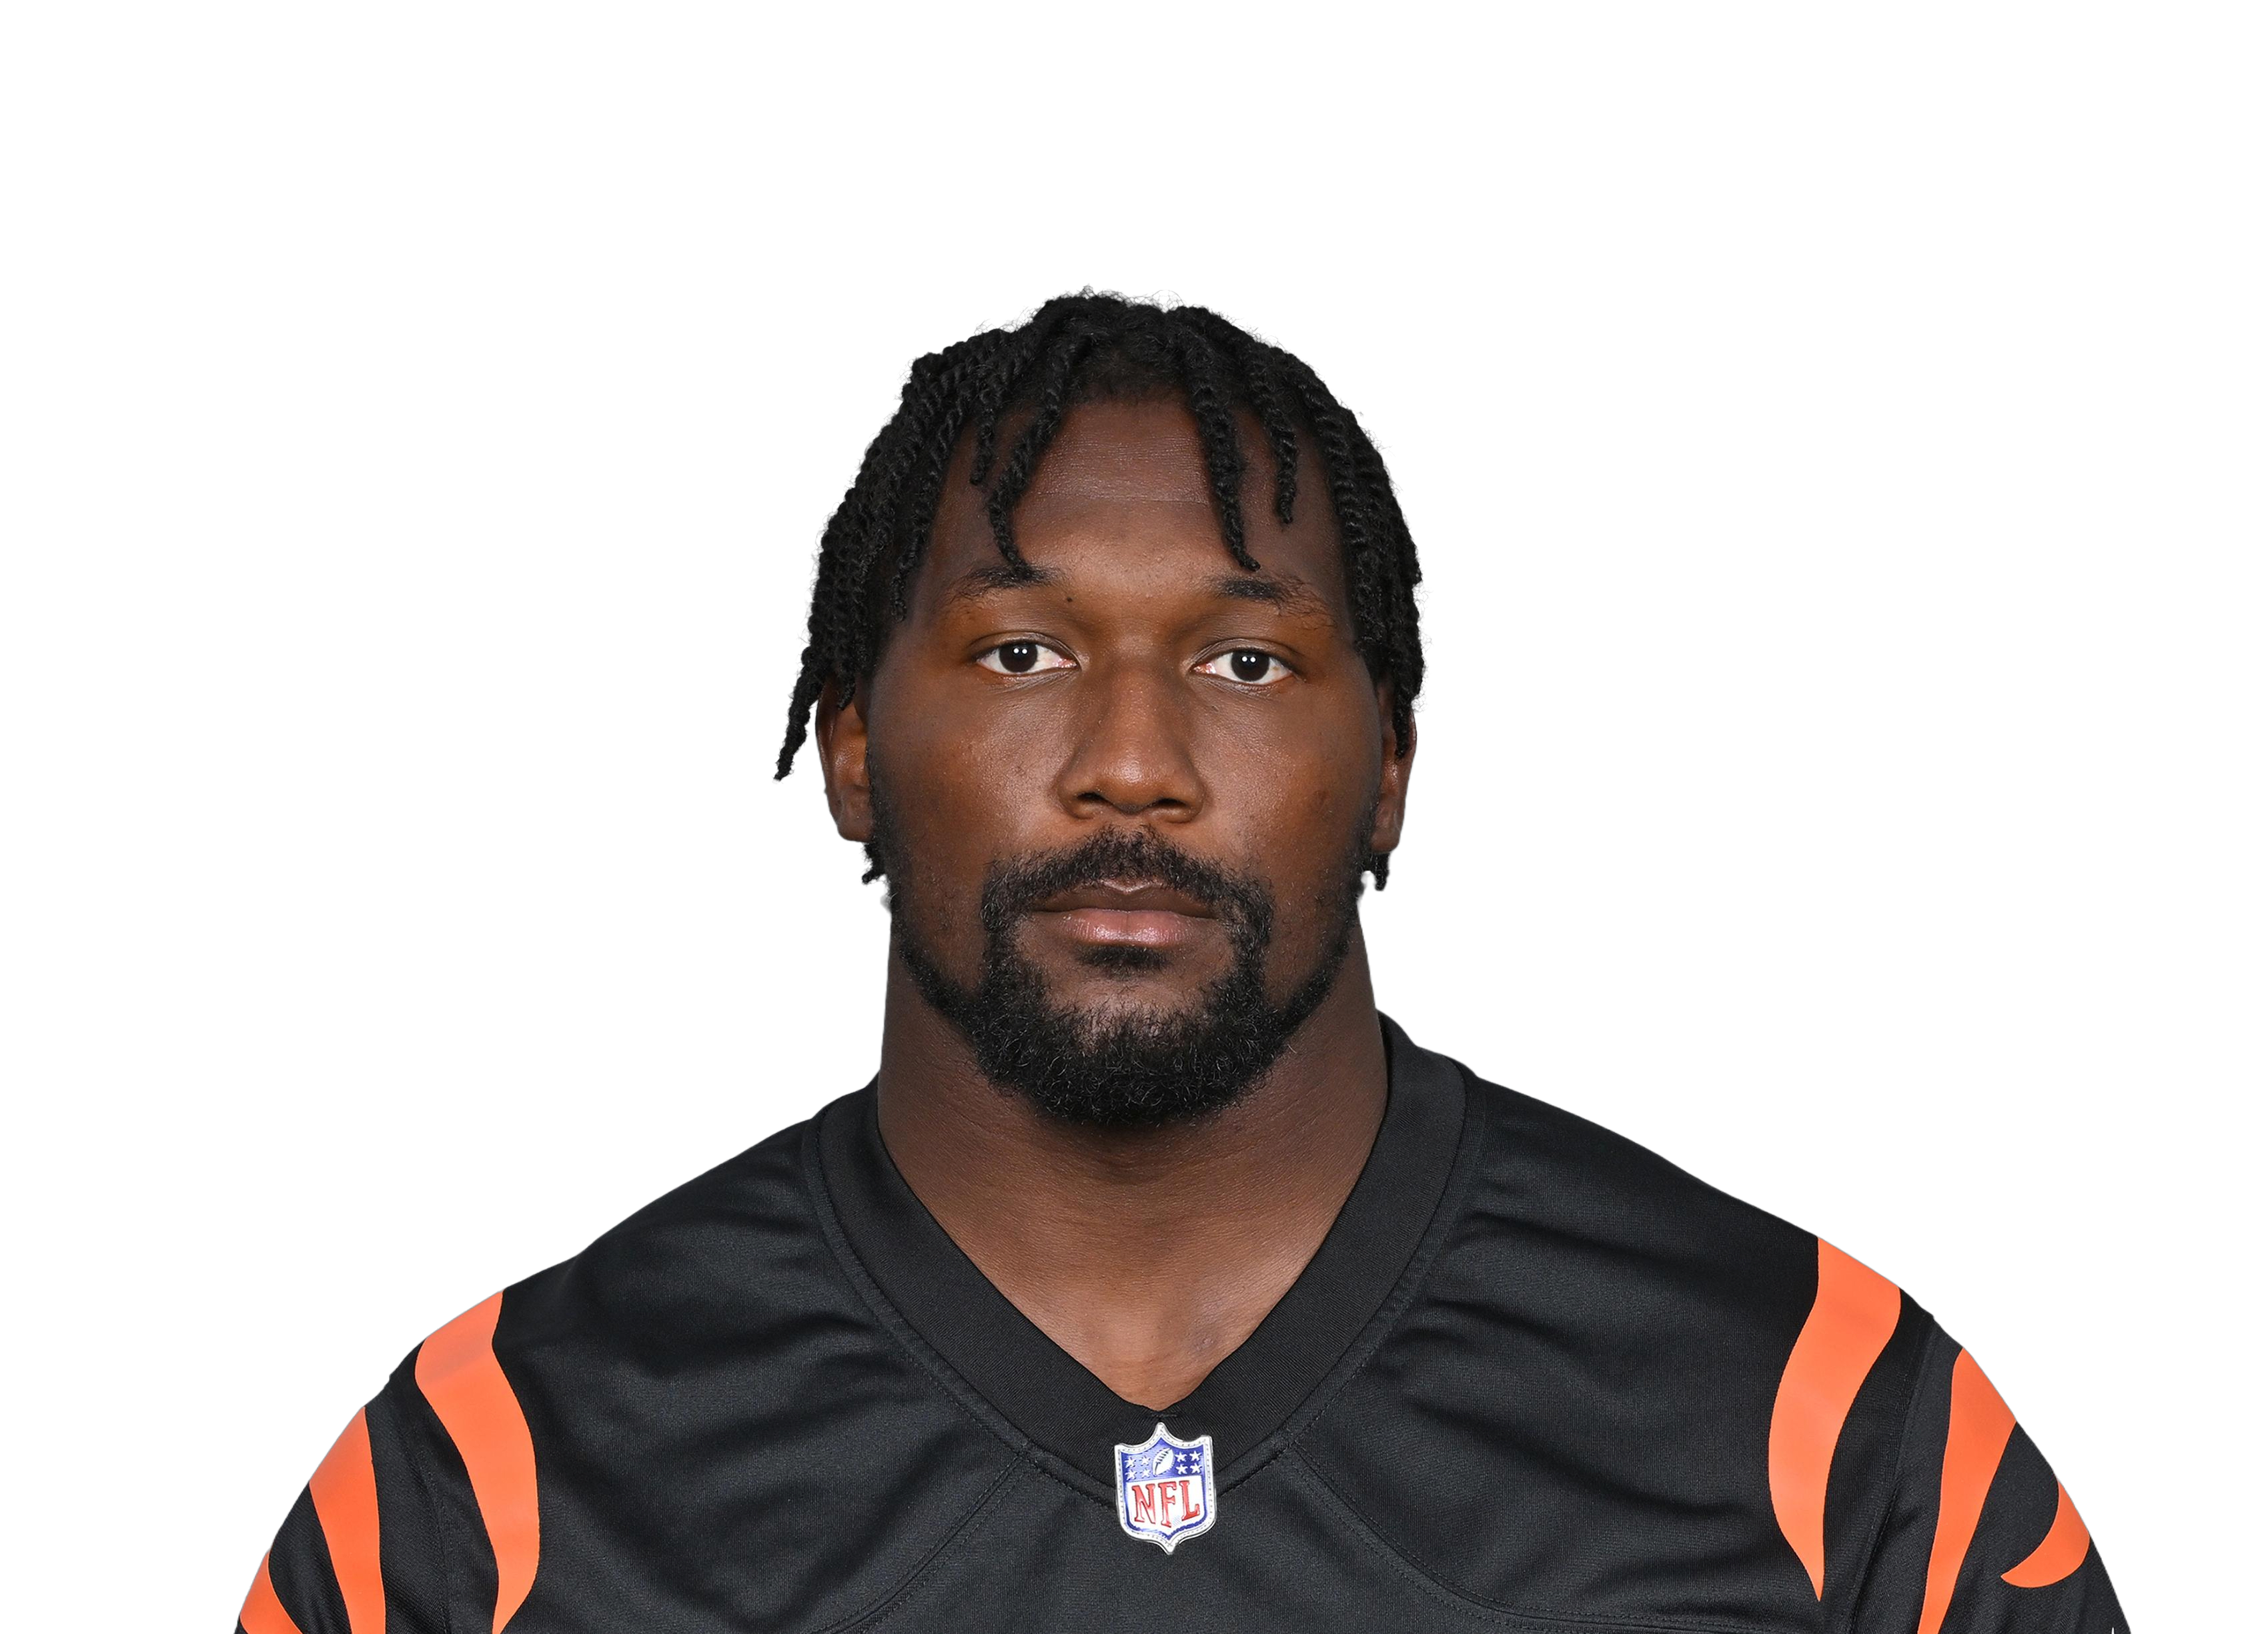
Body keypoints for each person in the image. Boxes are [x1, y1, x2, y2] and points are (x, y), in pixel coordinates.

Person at [241, 294, 2123, 1633]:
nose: (1132, 762)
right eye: (1022, 654)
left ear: (1390, 765)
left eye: (1243, 662)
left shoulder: (1814, 1413)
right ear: (850, 747)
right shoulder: (503, 1466)